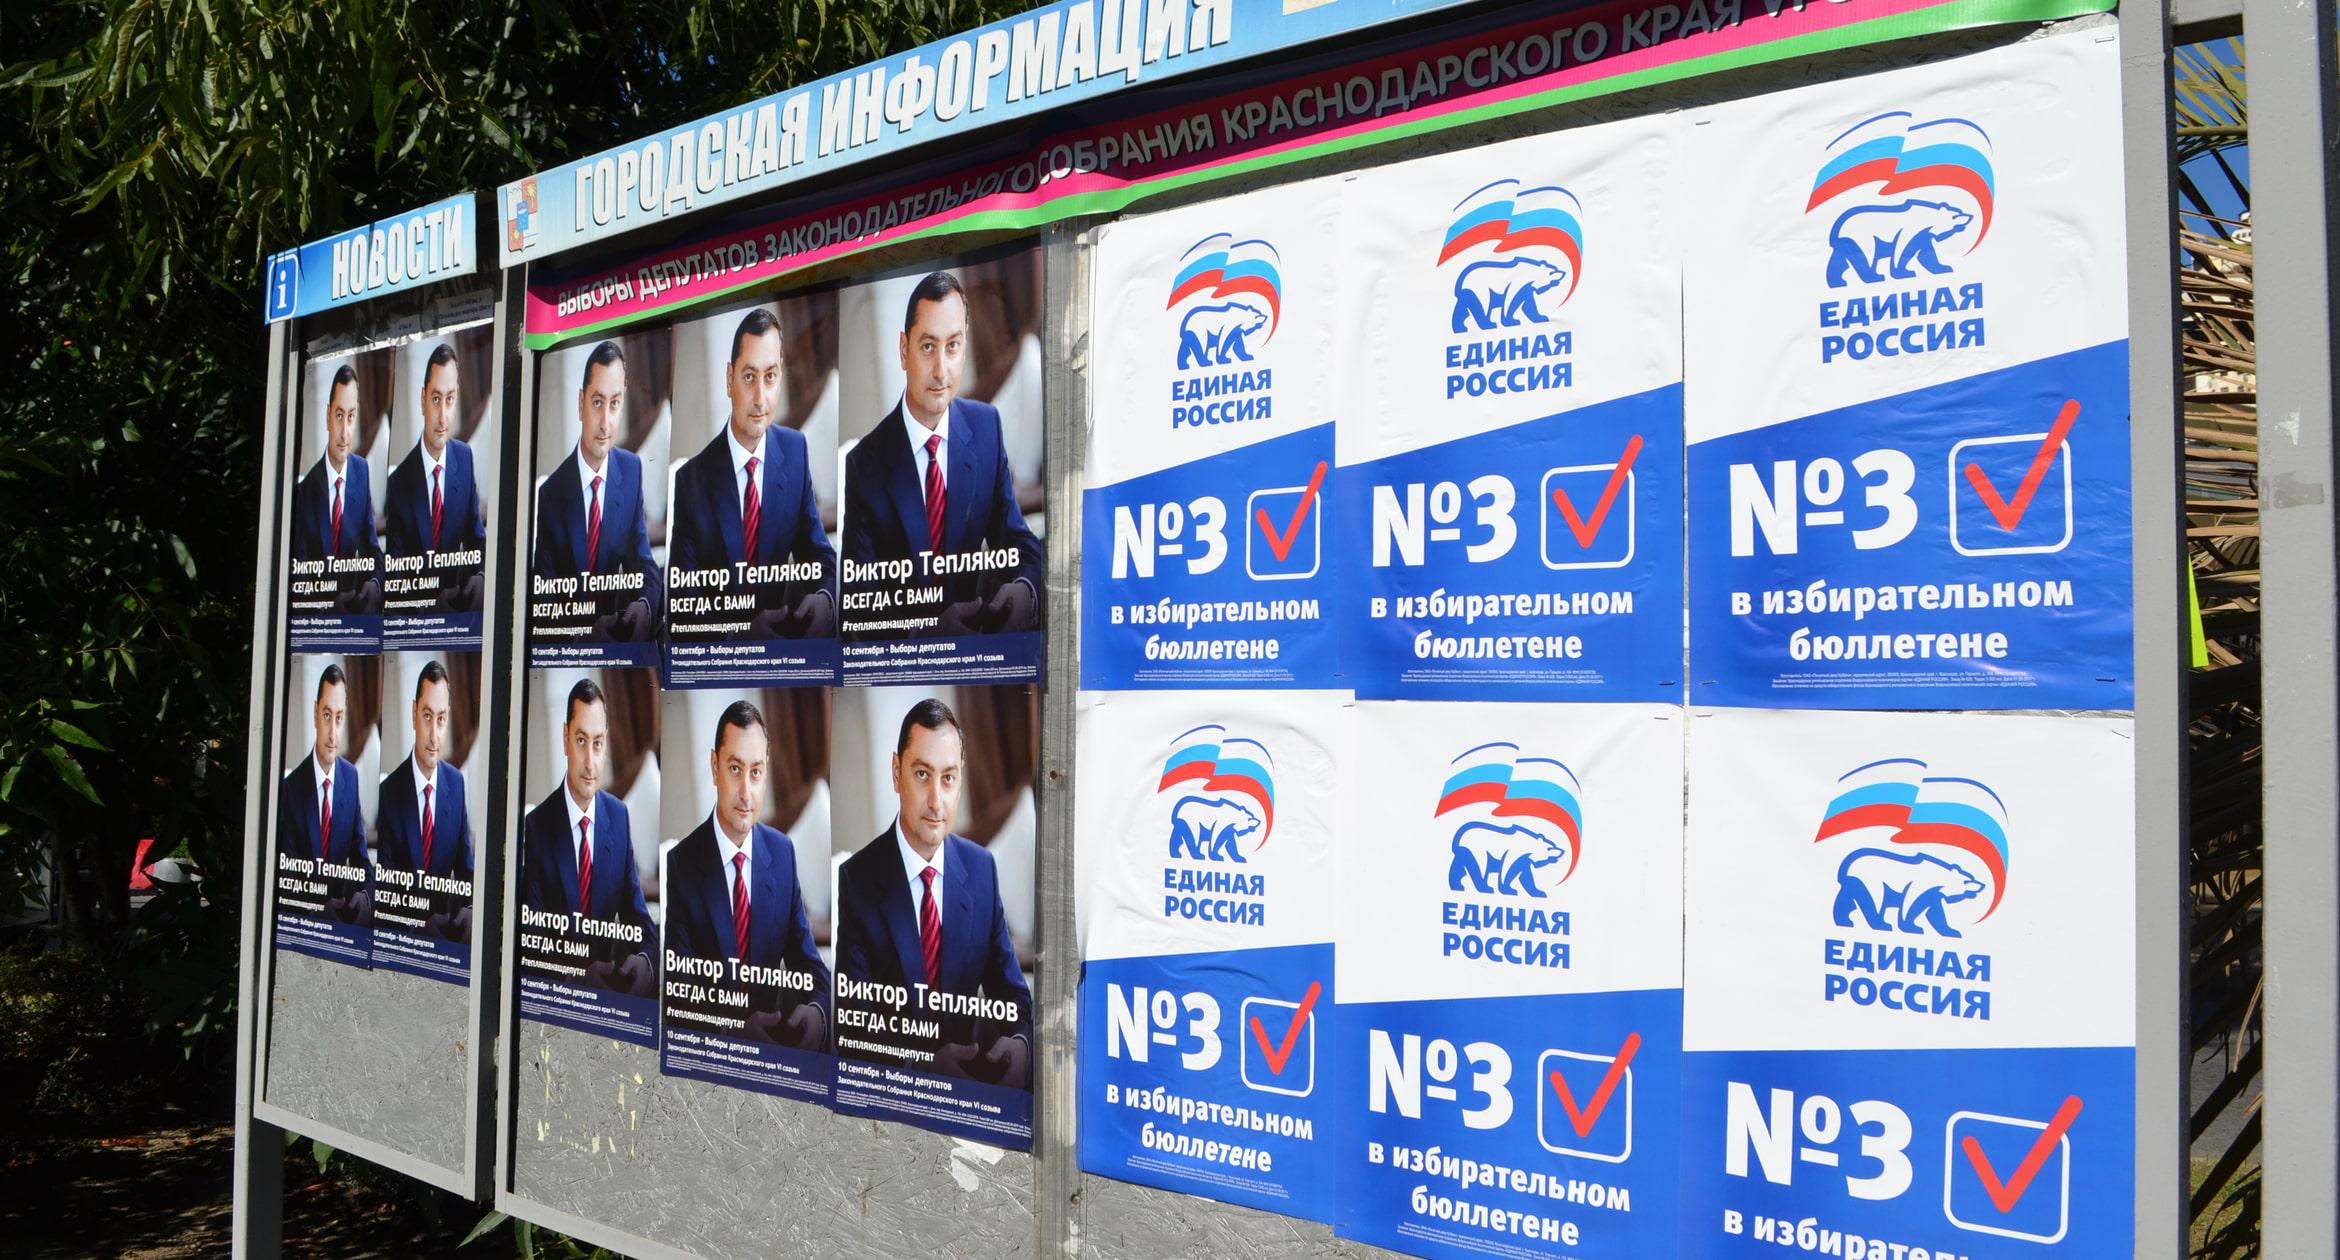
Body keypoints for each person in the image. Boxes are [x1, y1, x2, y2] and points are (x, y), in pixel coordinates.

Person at [835, 698, 1030, 1086]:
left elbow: (1013, 995)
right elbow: (851, 1024)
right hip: (896, 1093)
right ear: (896, 773)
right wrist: (920, 1067)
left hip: (971, 1089)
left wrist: (1020, 1044)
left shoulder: (981, 869)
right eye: (922, 774)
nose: (936, 801)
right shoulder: (857, 879)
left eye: (948, 778)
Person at [841, 271, 1043, 636]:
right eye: (927, 347)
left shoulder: (986, 427)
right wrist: (929, 628)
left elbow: (1018, 540)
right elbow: (858, 604)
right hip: (912, 657)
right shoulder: (864, 463)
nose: (941, 370)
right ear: (904, 350)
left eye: (953, 346)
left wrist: (1024, 590)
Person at [664, 700, 832, 1050]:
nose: (745, 792)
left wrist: (817, 1012)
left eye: (756, 772)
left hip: (775, 1048)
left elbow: (809, 964)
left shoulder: (782, 853)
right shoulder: (683, 863)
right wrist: (734, 1029)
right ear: (715, 767)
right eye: (734, 769)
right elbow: (679, 992)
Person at [667, 309, 836, 637]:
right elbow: (681, 602)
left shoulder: (795, 450)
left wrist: (824, 599)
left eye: (770, 376)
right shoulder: (691, 480)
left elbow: (819, 554)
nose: (760, 398)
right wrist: (740, 630)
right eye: (748, 377)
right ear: (729, 379)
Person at [519, 677, 657, 993]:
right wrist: (574, 976)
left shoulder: (618, 816)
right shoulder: (538, 826)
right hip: (559, 995)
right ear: (565, 738)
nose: (590, 762)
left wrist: (645, 963)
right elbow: (533, 939)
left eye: (598, 743)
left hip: (608, 993)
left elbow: (639, 918)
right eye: (581, 740)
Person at [531, 342, 662, 640]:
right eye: (597, 402)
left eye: (614, 403)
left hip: (617, 640)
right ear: (581, 404)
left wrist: (643, 606)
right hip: (572, 644)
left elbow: (643, 562)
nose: (605, 423)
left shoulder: (631, 470)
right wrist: (585, 631)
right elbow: (543, 597)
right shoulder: (551, 494)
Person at [375, 659, 473, 940]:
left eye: (441, 719)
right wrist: (416, 925)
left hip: (447, 937)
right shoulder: (390, 792)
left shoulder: (456, 783)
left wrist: (469, 910)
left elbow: (466, 871)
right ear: (413, 713)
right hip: (404, 939)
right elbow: (385, 890)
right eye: (427, 716)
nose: (433, 735)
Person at [385, 343, 486, 610]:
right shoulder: (398, 483)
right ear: (423, 400)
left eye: (449, 399)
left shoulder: (464, 457)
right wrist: (426, 602)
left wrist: (480, 577)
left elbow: (477, 539)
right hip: (419, 617)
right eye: (436, 399)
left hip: (460, 611)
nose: (442, 417)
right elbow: (394, 576)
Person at [278, 662, 369, 924]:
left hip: (344, 921)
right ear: (315, 712)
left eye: (339, 717)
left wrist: (364, 896)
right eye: (327, 715)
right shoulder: (291, 788)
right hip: (306, 924)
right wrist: (316, 909)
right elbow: (287, 877)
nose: (332, 733)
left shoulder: (350, 777)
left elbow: (362, 861)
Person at [290, 365, 382, 610]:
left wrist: (374, 584)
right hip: (322, 619)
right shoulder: (304, 492)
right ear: (328, 416)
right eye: (339, 415)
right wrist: (328, 603)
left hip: (357, 612)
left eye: (350, 416)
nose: (344, 433)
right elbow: (298, 577)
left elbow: (373, 550)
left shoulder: (361, 471)